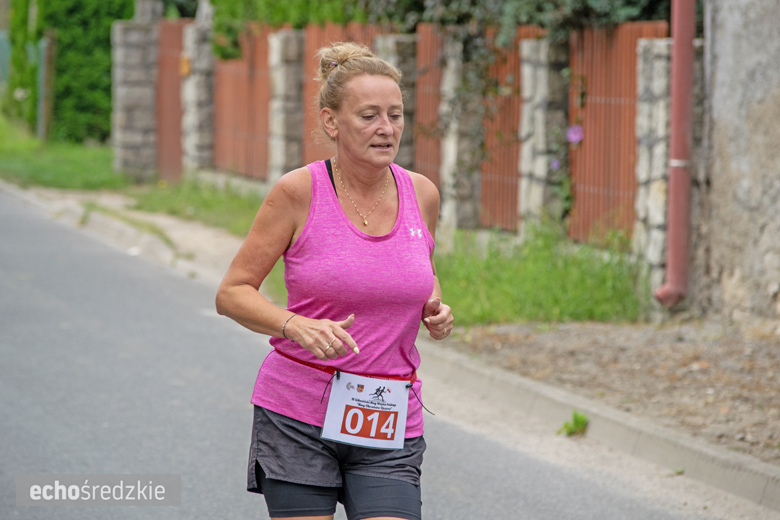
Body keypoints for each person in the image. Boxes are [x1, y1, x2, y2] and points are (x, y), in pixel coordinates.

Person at [215, 41, 454, 520]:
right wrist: (292, 324)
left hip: (387, 413)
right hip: (298, 412)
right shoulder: (298, 192)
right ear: (331, 122)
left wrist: (435, 306)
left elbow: (416, 273)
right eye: (369, 116)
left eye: (395, 115)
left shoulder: (422, 193)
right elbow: (232, 292)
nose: (386, 129)